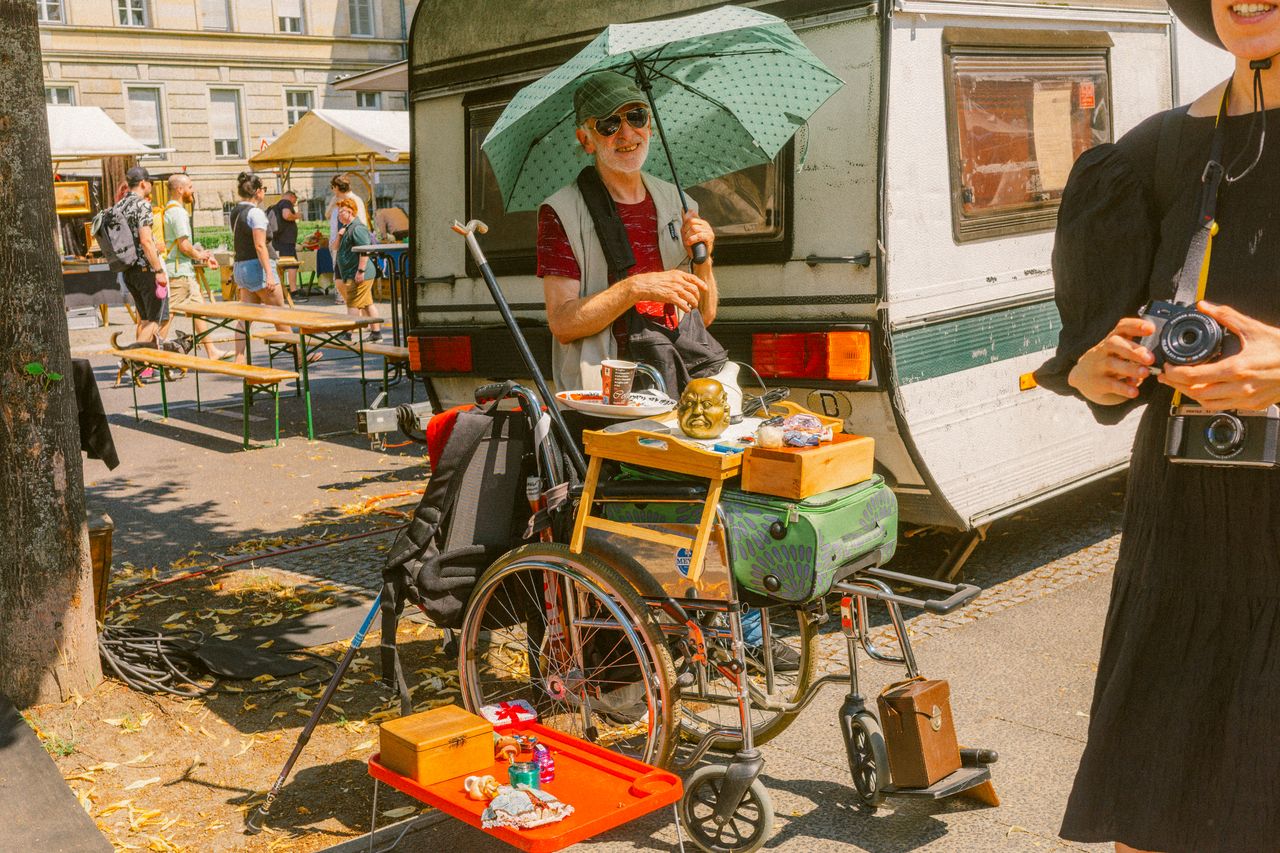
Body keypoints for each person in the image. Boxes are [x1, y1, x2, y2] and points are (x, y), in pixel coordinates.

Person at [1034, 0, 1280, 849]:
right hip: (1185, 539)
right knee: (1155, 817)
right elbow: (1092, 345)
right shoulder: (1149, 154)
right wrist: (1095, 367)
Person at [537, 70, 729, 399]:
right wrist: (637, 288)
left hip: (677, 381)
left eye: (636, 116)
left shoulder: (680, 204)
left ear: (650, 125)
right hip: (607, 396)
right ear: (586, 140)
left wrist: (705, 258)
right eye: (609, 124)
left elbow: (705, 315)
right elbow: (563, 324)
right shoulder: (561, 212)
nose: (626, 133)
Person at [229, 172, 314, 364]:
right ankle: (300, 355)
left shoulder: (235, 212)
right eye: (264, 189)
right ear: (258, 192)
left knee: (245, 316)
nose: (264, 192)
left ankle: (239, 358)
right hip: (257, 267)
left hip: (240, 267)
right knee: (279, 313)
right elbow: (260, 245)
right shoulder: (256, 213)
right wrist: (269, 273)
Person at [158, 173, 229, 360]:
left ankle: (211, 351)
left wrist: (201, 256)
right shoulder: (178, 212)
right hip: (178, 272)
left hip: (183, 270)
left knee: (199, 310)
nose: (193, 190)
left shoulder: (170, 210)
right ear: (180, 190)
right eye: (190, 187)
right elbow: (184, 245)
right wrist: (200, 255)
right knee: (169, 314)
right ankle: (151, 357)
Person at [114, 166, 168, 345]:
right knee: (155, 319)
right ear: (144, 183)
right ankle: (132, 359)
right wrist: (158, 270)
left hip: (128, 270)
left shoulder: (119, 205)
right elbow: (145, 241)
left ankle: (143, 365)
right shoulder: (142, 205)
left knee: (144, 319)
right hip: (146, 269)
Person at [333, 197, 382, 342]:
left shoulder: (358, 228)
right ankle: (376, 333)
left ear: (350, 211)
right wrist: (339, 235)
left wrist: (360, 271)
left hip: (361, 273)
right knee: (368, 304)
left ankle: (347, 334)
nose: (339, 215)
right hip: (355, 272)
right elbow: (335, 247)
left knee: (353, 303)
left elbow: (364, 251)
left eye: (341, 212)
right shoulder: (347, 228)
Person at [327, 175, 367, 304]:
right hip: (338, 244)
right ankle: (346, 301)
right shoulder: (338, 201)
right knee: (339, 277)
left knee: (348, 279)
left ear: (337, 187)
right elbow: (327, 215)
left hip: (349, 246)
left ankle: (352, 304)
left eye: (333, 187)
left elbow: (360, 225)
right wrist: (333, 201)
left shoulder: (354, 200)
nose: (332, 190)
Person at [269, 190, 301, 294]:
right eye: (295, 200)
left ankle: (280, 290)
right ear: (292, 196)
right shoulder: (286, 203)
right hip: (286, 241)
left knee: (280, 266)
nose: (295, 202)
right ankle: (293, 290)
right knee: (292, 264)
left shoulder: (276, 206)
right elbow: (286, 215)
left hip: (277, 241)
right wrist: (296, 216)